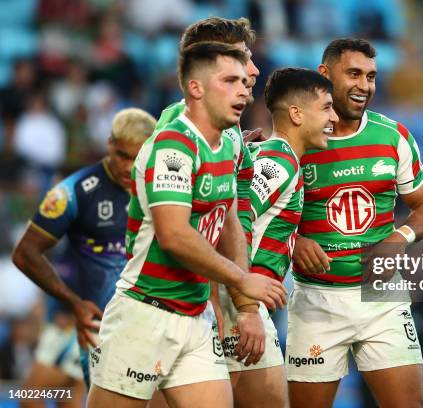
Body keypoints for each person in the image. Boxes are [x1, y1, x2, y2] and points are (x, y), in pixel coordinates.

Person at [86, 41, 286, 408]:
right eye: (230, 80)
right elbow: (174, 235)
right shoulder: (174, 146)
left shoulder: (228, 145)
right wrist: (241, 279)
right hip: (146, 314)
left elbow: (229, 222)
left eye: (245, 81)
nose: (243, 90)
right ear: (195, 88)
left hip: (195, 318)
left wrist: (242, 307)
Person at [289, 38, 423, 408]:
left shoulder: (393, 137)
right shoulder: (295, 141)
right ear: (324, 75)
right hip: (316, 299)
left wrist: (399, 238)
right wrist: (294, 242)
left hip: (381, 298)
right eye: (353, 73)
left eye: (371, 76)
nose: (364, 85)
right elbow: (259, 220)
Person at [153, 17, 288, 407]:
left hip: (226, 286)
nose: (255, 69)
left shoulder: (224, 132)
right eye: (244, 58)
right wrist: (240, 305)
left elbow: (222, 211)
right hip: (193, 298)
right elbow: (184, 230)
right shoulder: (175, 131)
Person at [11, 107, 157, 407]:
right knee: (31, 395)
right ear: (109, 144)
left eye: (137, 158)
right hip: (88, 324)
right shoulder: (74, 191)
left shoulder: (164, 187)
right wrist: (71, 302)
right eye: (122, 156)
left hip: (142, 324)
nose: (129, 167)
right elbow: (25, 253)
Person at [219, 67, 338, 407]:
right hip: (238, 304)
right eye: (326, 107)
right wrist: (245, 308)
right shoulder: (278, 161)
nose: (333, 117)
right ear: (297, 114)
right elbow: (232, 221)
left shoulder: (275, 157)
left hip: (239, 299)